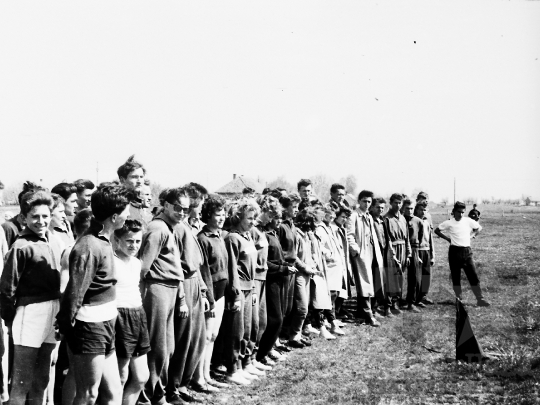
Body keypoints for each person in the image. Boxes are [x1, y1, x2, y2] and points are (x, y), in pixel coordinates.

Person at [57, 184, 131, 405]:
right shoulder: (88, 246)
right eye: (126, 211)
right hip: (89, 327)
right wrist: (66, 326)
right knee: (88, 394)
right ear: (115, 217)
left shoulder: (104, 240)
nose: (129, 214)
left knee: (114, 392)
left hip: (106, 323)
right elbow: (75, 292)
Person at [0, 190, 63, 405]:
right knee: (21, 381)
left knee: (43, 379)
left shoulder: (54, 242)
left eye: (45, 216)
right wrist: (9, 318)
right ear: (24, 218)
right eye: (35, 216)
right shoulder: (21, 246)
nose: (41, 221)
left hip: (53, 312)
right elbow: (7, 288)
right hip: (30, 313)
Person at [137, 188, 187, 405]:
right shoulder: (158, 229)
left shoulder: (170, 227)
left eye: (186, 209)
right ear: (166, 205)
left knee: (168, 346)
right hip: (156, 289)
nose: (182, 212)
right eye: (178, 208)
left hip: (170, 289)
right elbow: (142, 268)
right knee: (157, 347)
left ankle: (160, 392)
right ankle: (151, 396)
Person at [167, 191, 210, 403]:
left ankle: (184, 382)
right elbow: (178, 264)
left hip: (195, 282)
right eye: (198, 204)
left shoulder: (191, 227)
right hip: (183, 283)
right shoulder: (176, 228)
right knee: (183, 338)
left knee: (198, 338)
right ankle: (173, 387)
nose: (200, 208)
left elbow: (198, 265)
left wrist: (202, 289)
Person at [222, 200, 261, 385]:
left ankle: (244, 364)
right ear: (238, 217)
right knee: (235, 332)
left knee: (248, 329)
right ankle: (232, 369)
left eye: (255, 218)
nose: (253, 222)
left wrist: (253, 289)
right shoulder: (232, 238)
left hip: (250, 288)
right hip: (239, 291)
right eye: (249, 218)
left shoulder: (248, 236)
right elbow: (231, 269)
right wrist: (235, 294)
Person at [113, 219, 150, 405]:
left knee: (142, 376)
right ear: (118, 239)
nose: (134, 245)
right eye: (129, 241)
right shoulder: (112, 261)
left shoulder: (137, 263)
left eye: (137, 241)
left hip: (138, 315)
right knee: (120, 375)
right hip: (120, 316)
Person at [196, 196, 230, 389]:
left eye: (223, 214)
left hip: (221, 292)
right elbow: (204, 271)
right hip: (211, 294)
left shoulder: (220, 236)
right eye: (218, 214)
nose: (222, 218)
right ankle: (198, 378)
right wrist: (208, 296)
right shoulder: (203, 238)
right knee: (206, 336)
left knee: (214, 336)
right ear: (208, 215)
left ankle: (207, 375)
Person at [256, 211, 296, 366]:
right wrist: (283, 269)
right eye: (276, 218)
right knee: (275, 319)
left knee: (280, 316)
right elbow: (265, 262)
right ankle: (261, 353)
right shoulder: (264, 235)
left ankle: (266, 351)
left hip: (279, 280)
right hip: (270, 280)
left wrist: (286, 265)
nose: (279, 220)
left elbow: (277, 259)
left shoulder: (273, 234)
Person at [435, 202, 490, 307]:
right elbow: (437, 230)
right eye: (458, 212)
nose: (460, 214)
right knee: (456, 277)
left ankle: (480, 299)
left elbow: (479, 228)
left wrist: (473, 235)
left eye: (462, 212)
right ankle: (459, 298)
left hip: (467, 252)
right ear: (454, 211)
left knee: (473, 275)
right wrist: (447, 239)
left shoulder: (468, 221)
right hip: (454, 252)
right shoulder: (449, 222)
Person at [347, 190, 384, 327]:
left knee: (372, 281)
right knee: (364, 282)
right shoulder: (354, 216)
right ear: (359, 201)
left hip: (372, 251)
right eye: (364, 201)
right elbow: (349, 235)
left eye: (369, 202)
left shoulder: (368, 216)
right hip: (361, 253)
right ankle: (368, 315)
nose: (367, 204)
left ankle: (362, 313)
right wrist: (356, 250)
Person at [314, 204, 346, 335]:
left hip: (335, 268)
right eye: (329, 213)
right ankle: (327, 322)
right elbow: (319, 246)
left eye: (333, 214)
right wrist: (330, 255)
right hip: (328, 267)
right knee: (328, 296)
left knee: (334, 295)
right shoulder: (320, 229)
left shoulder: (330, 228)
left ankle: (330, 321)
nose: (332, 216)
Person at [383, 193, 412, 315]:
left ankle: (396, 303)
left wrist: (409, 253)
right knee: (391, 278)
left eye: (400, 203)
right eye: (395, 202)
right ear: (391, 203)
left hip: (403, 249)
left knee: (400, 277)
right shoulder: (386, 218)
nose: (398, 205)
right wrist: (393, 255)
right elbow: (387, 238)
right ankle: (387, 306)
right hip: (392, 250)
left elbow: (407, 239)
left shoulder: (403, 218)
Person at [402, 199, 423, 313]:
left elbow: (419, 236)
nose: (409, 211)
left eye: (411, 208)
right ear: (403, 208)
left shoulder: (418, 221)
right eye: (407, 208)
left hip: (414, 249)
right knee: (398, 275)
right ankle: (395, 301)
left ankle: (411, 302)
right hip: (401, 248)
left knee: (414, 277)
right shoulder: (400, 219)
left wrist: (417, 254)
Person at [413, 201, 435, 306]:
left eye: (425, 210)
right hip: (418, 250)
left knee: (427, 275)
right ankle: (416, 299)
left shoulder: (426, 222)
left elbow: (430, 239)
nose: (423, 212)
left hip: (427, 250)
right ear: (416, 210)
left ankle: (423, 297)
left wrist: (432, 256)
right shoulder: (413, 222)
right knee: (418, 277)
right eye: (421, 209)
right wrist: (416, 254)